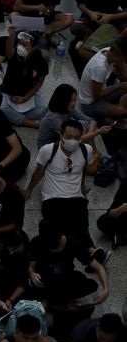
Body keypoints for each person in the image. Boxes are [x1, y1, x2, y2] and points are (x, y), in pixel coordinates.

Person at [24, 120, 108, 265]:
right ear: (61, 135)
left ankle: (91, 254)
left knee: (81, 228)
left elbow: (82, 169)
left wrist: (82, 186)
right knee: (61, 231)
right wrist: (29, 189)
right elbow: (39, 172)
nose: (73, 141)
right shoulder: (48, 150)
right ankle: (91, 252)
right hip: (52, 198)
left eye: (77, 137)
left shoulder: (85, 150)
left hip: (76, 198)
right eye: (69, 136)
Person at [28, 219, 109, 308]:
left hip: (65, 278)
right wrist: (32, 273)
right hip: (45, 279)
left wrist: (106, 289)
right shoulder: (37, 241)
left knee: (91, 285)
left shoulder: (72, 243)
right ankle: (58, 300)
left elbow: (99, 267)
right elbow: (32, 265)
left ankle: (56, 300)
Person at [0, 29, 48, 128]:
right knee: (1, 108)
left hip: (27, 95)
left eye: (24, 45)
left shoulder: (40, 60)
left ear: (34, 47)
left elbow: (39, 82)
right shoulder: (15, 55)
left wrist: (26, 97)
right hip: (7, 92)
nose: (20, 47)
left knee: (45, 109)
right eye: (19, 44)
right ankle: (29, 122)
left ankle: (15, 116)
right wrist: (12, 35)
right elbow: (8, 52)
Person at [38, 84, 101, 149]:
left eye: (75, 99)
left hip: (60, 138)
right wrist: (97, 132)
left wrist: (88, 134)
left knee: (86, 126)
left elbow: (91, 121)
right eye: (71, 100)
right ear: (62, 101)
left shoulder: (68, 108)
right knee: (82, 133)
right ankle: (94, 155)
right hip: (49, 148)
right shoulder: (54, 118)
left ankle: (95, 154)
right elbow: (75, 140)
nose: (74, 103)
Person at [76, 41, 127, 121]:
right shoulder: (100, 67)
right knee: (123, 109)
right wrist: (118, 86)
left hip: (100, 91)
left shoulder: (107, 50)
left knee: (122, 88)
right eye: (123, 59)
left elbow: (120, 68)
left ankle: (107, 111)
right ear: (115, 54)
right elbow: (97, 95)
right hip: (90, 104)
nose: (123, 62)